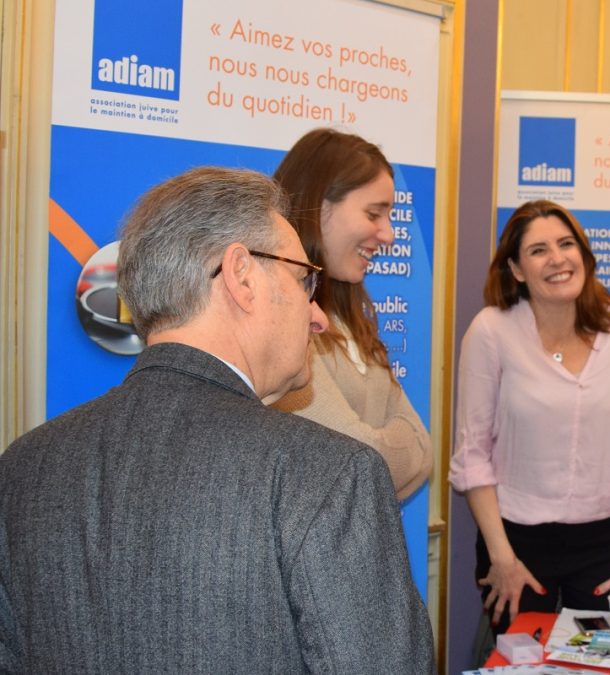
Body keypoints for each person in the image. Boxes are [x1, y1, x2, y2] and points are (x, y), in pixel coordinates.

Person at [0, 167, 434, 673]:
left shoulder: (24, 467)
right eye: (303, 280)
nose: (317, 316)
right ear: (241, 276)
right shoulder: (327, 476)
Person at [449, 200, 610, 634]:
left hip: (608, 545)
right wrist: (501, 557)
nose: (558, 258)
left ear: (584, 253)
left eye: (566, 244)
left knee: (603, 662)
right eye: (539, 250)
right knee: (519, 662)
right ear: (516, 269)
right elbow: (472, 456)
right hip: (516, 546)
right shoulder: (491, 331)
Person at [271, 128, 432, 500]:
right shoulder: (281, 321)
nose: (389, 235)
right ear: (318, 205)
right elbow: (354, 464)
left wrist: (382, 449)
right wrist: (391, 442)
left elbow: (423, 450)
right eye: (374, 214)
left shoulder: (348, 318)